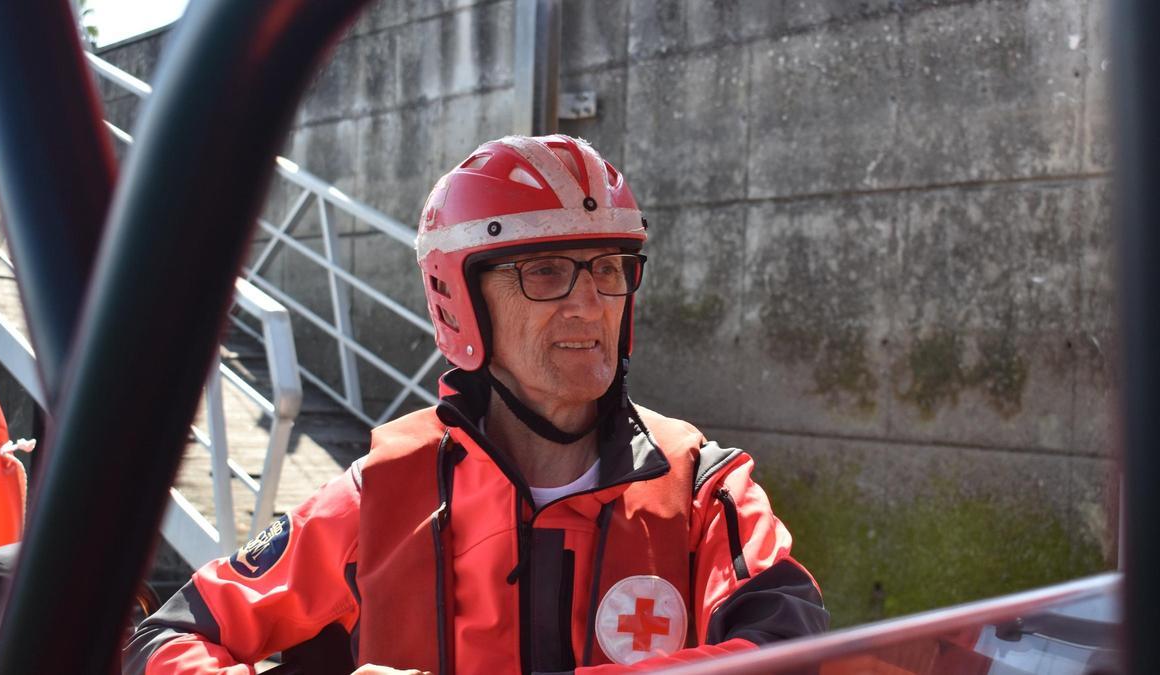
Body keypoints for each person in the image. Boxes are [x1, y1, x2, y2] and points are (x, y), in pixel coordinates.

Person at [124, 134, 829, 674]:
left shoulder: (705, 489)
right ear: (461, 304)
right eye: (547, 272)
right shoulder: (379, 495)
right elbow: (164, 640)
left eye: (610, 269)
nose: (590, 303)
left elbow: (792, 652)